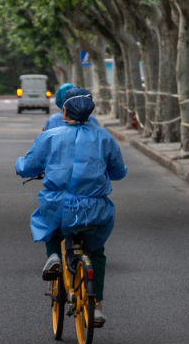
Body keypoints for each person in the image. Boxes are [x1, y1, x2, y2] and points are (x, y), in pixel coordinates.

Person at [15, 88, 126, 326]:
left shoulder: (51, 136)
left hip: (60, 205)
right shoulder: (104, 137)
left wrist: (19, 165)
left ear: (64, 109)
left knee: (48, 223)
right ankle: (95, 307)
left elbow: (28, 166)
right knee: (96, 252)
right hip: (95, 209)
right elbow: (118, 172)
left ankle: (54, 255)